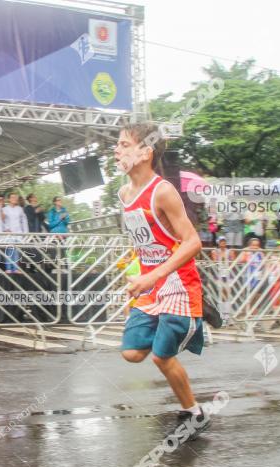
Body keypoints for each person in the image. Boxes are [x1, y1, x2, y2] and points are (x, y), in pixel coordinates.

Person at [115, 122, 209, 441]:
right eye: (117, 144)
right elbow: (147, 240)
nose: (117, 150)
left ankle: (193, 413)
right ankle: (176, 324)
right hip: (150, 287)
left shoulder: (163, 191)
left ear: (145, 152)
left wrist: (154, 273)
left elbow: (192, 241)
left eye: (124, 144)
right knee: (131, 353)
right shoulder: (124, 194)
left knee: (161, 356)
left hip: (179, 286)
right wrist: (134, 265)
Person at [2, 192, 28, 274]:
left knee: (16, 250)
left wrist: (25, 232)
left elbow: (24, 220)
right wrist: (5, 229)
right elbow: (1, 221)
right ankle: (8, 268)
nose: (14, 199)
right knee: (9, 250)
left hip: (18, 232)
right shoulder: (4, 209)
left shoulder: (20, 209)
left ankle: (16, 268)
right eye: (12, 197)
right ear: (9, 199)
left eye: (16, 197)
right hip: (8, 232)